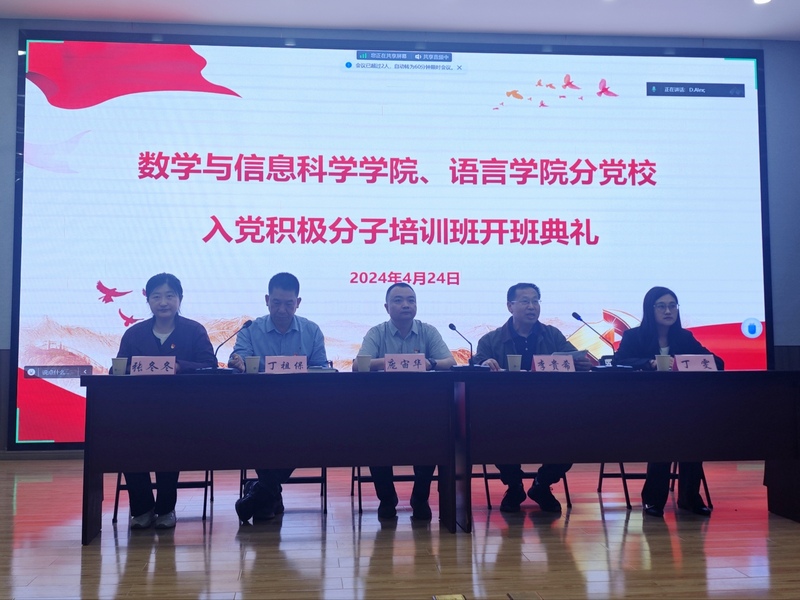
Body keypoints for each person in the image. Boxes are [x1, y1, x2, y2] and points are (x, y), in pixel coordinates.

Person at [473, 282, 592, 514]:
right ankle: (514, 486)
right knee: (493, 432)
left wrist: (581, 363)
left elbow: (574, 357)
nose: (532, 306)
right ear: (510, 306)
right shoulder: (490, 340)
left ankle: (542, 485)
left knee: (574, 434)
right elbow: (477, 362)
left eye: (535, 301)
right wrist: (484, 363)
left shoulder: (552, 335)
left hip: (551, 409)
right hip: (506, 411)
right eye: (525, 301)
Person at [115, 272, 216, 529]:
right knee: (125, 440)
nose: (163, 302)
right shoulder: (134, 334)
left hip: (182, 411)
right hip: (139, 412)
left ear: (180, 298)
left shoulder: (194, 331)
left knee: (170, 439)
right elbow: (118, 369)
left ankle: (165, 509)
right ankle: (142, 509)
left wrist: (180, 366)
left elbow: (209, 365)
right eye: (156, 296)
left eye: (170, 296)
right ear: (148, 300)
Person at [613, 285, 723, 518]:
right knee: (663, 433)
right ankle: (653, 499)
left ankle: (689, 497)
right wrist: (648, 363)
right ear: (650, 309)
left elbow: (717, 362)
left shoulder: (684, 337)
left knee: (692, 432)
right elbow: (618, 362)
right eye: (661, 306)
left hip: (682, 406)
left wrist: (685, 362)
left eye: (673, 306)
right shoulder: (634, 336)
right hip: (645, 406)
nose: (668, 311)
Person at [229, 272, 328, 523]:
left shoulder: (311, 330)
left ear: (298, 302)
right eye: (276, 303)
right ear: (267, 300)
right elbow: (241, 360)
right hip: (259, 408)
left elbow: (320, 370)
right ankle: (268, 494)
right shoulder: (250, 330)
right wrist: (238, 363)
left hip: (301, 409)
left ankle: (261, 490)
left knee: (306, 435)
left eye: (288, 304)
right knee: (257, 432)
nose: (282, 310)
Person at [354, 282, 456, 520]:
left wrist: (429, 363)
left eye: (411, 300)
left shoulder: (427, 331)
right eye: (398, 300)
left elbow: (450, 362)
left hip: (423, 408)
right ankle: (386, 498)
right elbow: (359, 365)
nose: (406, 305)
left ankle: (420, 497)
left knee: (434, 436)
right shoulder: (377, 332)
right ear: (386, 307)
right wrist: (396, 362)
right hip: (382, 409)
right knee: (374, 437)